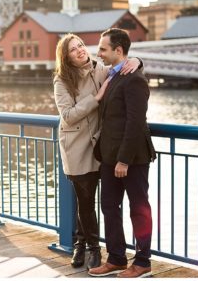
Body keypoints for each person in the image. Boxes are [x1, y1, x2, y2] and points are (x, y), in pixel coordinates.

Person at [52, 33, 140, 272]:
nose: (80, 50)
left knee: (100, 201)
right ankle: (92, 247)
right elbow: (68, 116)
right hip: (77, 146)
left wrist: (138, 61)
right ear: (66, 56)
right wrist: (96, 97)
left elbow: (122, 63)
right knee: (85, 200)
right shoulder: (62, 81)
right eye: (73, 49)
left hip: (101, 147)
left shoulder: (100, 70)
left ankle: (82, 243)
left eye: (80, 45)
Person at [89, 28, 156, 279]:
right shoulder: (113, 75)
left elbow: (135, 122)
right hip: (108, 157)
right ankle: (116, 258)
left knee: (139, 209)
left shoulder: (135, 79)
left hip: (132, 159)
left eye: (103, 49)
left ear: (118, 50)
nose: (99, 53)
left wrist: (124, 160)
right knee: (109, 207)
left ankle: (143, 262)